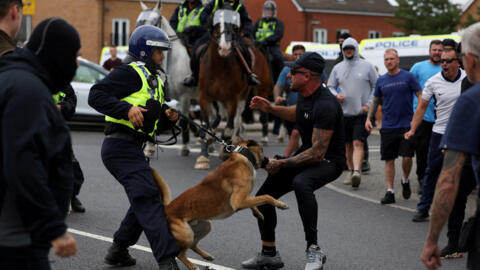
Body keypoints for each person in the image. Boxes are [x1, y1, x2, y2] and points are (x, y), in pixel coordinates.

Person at [241, 52, 346, 270]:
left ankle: (314, 250)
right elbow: (298, 113)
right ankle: (269, 254)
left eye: (292, 72)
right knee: (263, 198)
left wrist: (282, 163)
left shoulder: (327, 104)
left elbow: (317, 154)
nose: (288, 76)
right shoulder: (307, 96)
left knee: (302, 183)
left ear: (306, 76)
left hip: (329, 161)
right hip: (309, 155)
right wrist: (270, 108)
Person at [88, 25, 180, 269]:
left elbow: (150, 125)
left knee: (148, 195)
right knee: (148, 196)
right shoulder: (129, 72)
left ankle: (118, 250)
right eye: (159, 51)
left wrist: (166, 118)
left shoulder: (156, 82)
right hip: (119, 147)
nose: (162, 56)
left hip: (133, 148)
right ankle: (167, 260)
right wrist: (125, 110)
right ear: (144, 51)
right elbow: (95, 95)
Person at [0, 17, 80, 269]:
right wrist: (53, 228)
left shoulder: (13, 79)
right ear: (56, 55)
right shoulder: (28, 91)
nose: (76, 63)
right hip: (16, 240)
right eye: (73, 55)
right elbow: (23, 163)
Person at [420, 22, 480, 270]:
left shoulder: (471, 99)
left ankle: (450, 242)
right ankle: (453, 242)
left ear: (468, 59)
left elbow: (447, 180)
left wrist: (431, 239)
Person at [405, 49, 465, 223]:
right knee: (432, 171)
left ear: (457, 62)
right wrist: (412, 129)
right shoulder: (433, 82)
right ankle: (423, 208)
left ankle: (456, 209)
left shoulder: (468, 79)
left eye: (448, 61)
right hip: (440, 133)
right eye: (442, 61)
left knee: (461, 173)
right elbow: (421, 107)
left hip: (461, 134)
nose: (444, 64)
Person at [365, 48, 422, 204]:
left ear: (397, 60)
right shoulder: (381, 80)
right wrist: (369, 118)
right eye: (386, 59)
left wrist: (419, 113)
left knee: (407, 157)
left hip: (407, 124)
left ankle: (405, 179)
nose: (389, 62)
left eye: (391, 59)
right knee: (389, 159)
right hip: (388, 125)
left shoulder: (408, 77)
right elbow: (375, 100)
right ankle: (390, 191)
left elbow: (420, 94)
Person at [328, 37, 377, 188]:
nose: (348, 51)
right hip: (343, 113)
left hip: (361, 113)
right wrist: (336, 96)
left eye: (351, 48)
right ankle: (350, 171)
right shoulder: (337, 68)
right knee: (347, 145)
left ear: (356, 49)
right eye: (346, 49)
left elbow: (376, 87)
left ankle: (357, 171)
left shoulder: (367, 66)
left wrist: (368, 104)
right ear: (343, 50)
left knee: (357, 142)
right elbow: (329, 86)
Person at [183, 0, 260, 87]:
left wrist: (247, 31)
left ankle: (249, 75)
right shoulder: (214, 3)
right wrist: (209, 21)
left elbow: (247, 21)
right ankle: (194, 76)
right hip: (215, 34)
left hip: (233, 35)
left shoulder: (239, 6)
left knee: (246, 51)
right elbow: (203, 14)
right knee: (197, 47)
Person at [409, 40, 443, 195]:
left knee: (439, 151)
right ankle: (422, 179)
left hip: (442, 118)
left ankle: (437, 179)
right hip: (422, 117)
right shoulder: (418, 67)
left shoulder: (446, 68)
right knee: (422, 151)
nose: (437, 52)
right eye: (434, 49)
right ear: (429, 51)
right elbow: (407, 88)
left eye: (439, 50)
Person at [334, 32, 371, 173]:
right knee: (348, 141)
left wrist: (367, 102)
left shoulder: (361, 61)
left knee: (359, 138)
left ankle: (364, 161)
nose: (343, 46)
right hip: (344, 108)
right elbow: (333, 83)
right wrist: (336, 95)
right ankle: (350, 168)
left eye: (345, 43)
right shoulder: (338, 61)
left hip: (360, 107)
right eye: (341, 44)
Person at [53, 85, 87, 213]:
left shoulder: (64, 84)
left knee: (74, 170)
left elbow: (71, 108)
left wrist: (60, 107)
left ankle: (72, 196)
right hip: (35, 131)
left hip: (58, 133)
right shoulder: (35, 79)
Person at [273, 44, 305, 157]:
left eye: (300, 54)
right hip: (291, 110)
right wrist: (277, 97)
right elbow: (278, 86)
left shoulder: (310, 68)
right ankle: (296, 158)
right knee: (293, 136)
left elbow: (324, 82)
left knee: (296, 133)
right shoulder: (287, 69)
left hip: (307, 109)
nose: (297, 57)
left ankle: (285, 158)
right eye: (295, 54)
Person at [253, 0, 284, 82]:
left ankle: (278, 80)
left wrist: (266, 40)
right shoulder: (258, 22)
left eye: (271, 10)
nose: (269, 12)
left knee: (279, 59)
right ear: (264, 11)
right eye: (267, 10)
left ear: (274, 11)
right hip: (258, 46)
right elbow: (252, 32)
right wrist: (254, 41)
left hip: (272, 47)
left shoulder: (278, 22)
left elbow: (278, 35)